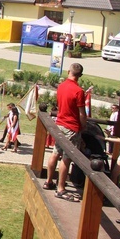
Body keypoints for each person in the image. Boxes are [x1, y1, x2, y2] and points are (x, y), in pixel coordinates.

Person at [44, 63, 87, 200]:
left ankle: (48, 181)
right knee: (67, 158)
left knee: (55, 153)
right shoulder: (79, 91)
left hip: (60, 125)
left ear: (69, 71)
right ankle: (61, 188)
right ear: (80, 75)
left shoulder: (61, 86)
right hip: (72, 127)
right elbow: (81, 113)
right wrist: (84, 126)